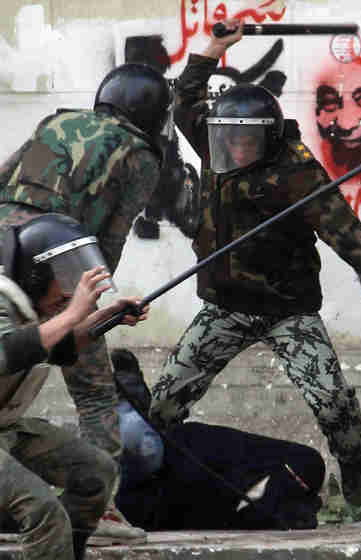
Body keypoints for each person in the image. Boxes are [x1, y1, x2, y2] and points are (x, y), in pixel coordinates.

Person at [149, 20, 361, 520]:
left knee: (333, 403)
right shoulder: (213, 142)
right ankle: (141, 483)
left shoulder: (295, 169)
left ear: (266, 139)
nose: (235, 149)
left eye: (246, 141)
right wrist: (212, 49)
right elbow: (185, 102)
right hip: (224, 308)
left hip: (288, 311)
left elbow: (337, 219)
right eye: (229, 140)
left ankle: (356, 491)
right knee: (162, 405)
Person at [0, 62, 172, 541]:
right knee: (96, 391)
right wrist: (95, 307)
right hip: (55, 268)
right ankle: (104, 511)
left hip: (5, 254)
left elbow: (2, 177)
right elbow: (107, 242)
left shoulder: (55, 123)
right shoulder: (140, 155)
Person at [0, 213, 149, 560]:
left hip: (6, 428)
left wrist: (105, 318)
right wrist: (72, 314)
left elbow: (56, 347)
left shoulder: (32, 307)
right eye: (62, 274)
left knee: (96, 472)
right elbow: (7, 352)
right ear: (36, 275)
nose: (69, 287)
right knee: (42, 511)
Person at [111, 348, 326, 531]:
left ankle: (136, 405)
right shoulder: (303, 467)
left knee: (141, 451)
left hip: (170, 488)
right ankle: (136, 404)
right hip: (185, 457)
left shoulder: (280, 512)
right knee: (141, 437)